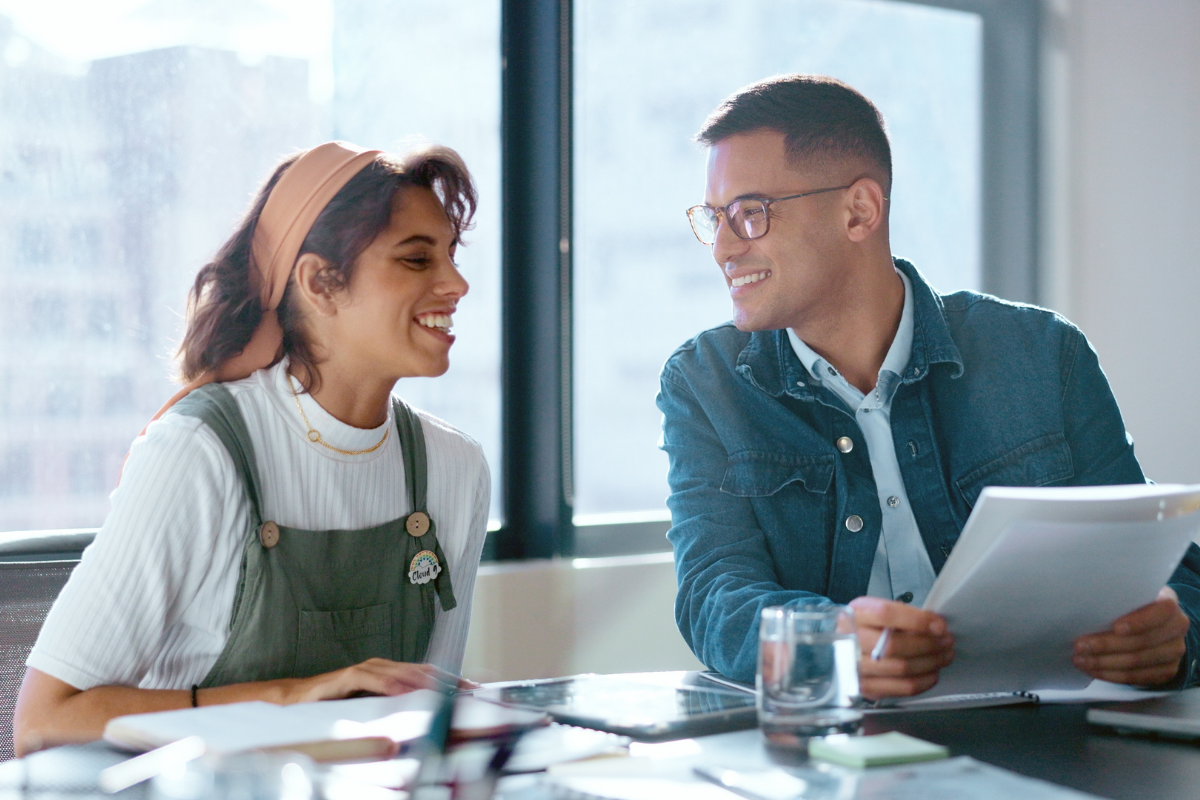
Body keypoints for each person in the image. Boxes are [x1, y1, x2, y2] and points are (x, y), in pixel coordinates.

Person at [657, 75, 1200, 699]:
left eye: (750, 213)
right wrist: (827, 641)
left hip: (1043, 730)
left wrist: (1171, 639)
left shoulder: (1045, 354)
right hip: (836, 738)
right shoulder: (705, 383)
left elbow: (1167, 572)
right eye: (715, 219)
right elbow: (713, 593)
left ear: (859, 211)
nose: (723, 248)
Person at [14, 141, 491, 754]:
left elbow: (420, 717)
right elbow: (44, 723)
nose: (457, 283)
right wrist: (293, 695)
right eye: (417, 259)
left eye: (451, 255)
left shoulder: (455, 469)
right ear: (320, 283)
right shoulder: (199, 453)